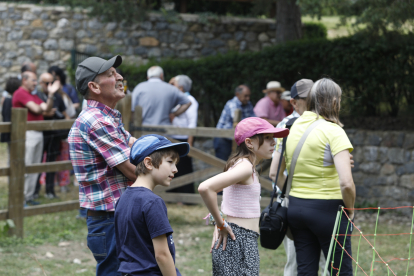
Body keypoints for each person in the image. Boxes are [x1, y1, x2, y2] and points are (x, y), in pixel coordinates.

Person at [68, 55, 138, 276]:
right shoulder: (96, 121)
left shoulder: (108, 118)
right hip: (111, 221)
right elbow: (134, 170)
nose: (120, 77)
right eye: (110, 74)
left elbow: (140, 149)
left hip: (116, 217)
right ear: (94, 86)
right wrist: (162, 166)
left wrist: (159, 155)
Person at [198, 117, 289, 276]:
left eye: (273, 138)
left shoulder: (243, 165)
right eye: (267, 138)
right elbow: (205, 188)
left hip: (243, 239)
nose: (273, 142)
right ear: (249, 143)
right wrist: (220, 224)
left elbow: (228, 199)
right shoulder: (245, 167)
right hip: (238, 240)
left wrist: (218, 220)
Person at [284, 78, 355, 276]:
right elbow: (346, 183)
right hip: (327, 210)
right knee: (340, 272)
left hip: (296, 208)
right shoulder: (333, 131)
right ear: (333, 101)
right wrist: (351, 210)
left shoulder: (294, 127)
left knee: (305, 270)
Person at [115, 134, 190, 276]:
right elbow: (162, 255)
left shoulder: (122, 199)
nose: (175, 169)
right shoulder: (152, 202)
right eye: (170, 162)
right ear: (149, 163)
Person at [12, 71, 59, 205]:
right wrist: (44, 109)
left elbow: (47, 107)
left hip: (38, 133)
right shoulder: (20, 93)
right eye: (33, 80)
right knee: (26, 166)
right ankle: (20, 199)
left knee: (34, 167)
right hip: (27, 133)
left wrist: (50, 95)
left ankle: (29, 196)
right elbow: (39, 110)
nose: (35, 83)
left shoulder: (33, 96)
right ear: (24, 80)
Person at [34, 73, 70, 199]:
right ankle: (34, 191)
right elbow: (37, 112)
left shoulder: (58, 97)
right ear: (41, 83)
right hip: (40, 134)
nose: (49, 85)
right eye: (46, 83)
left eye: (51, 82)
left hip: (55, 135)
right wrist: (46, 113)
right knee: (37, 163)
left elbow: (65, 114)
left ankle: (50, 190)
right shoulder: (36, 96)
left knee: (51, 162)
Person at [169, 75, 199, 194]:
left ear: (180, 87)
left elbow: (192, 123)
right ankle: (174, 193)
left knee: (183, 168)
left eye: (174, 84)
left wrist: (189, 142)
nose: (171, 86)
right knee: (173, 166)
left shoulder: (191, 100)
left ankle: (185, 196)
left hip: (184, 138)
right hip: (173, 137)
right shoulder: (176, 99)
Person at [214, 85, 255, 161]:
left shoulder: (248, 104)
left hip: (236, 138)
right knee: (221, 163)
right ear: (237, 94)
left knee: (236, 162)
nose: (248, 98)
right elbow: (239, 122)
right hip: (223, 137)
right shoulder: (232, 104)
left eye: (249, 96)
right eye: (245, 96)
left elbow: (255, 119)